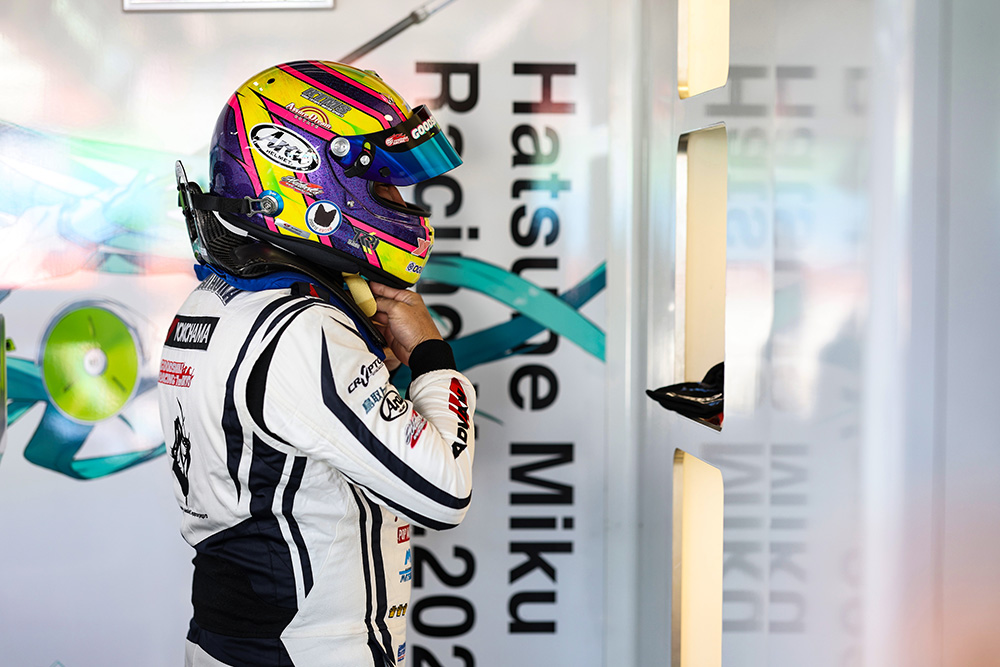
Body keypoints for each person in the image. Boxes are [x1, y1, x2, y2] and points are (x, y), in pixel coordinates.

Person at [160, 60, 476, 667]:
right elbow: (444, 492)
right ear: (311, 184)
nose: (400, 204)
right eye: (383, 186)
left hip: (244, 643)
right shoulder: (303, 329)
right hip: (305, 651)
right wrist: (430, 356)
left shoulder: (211, 300)